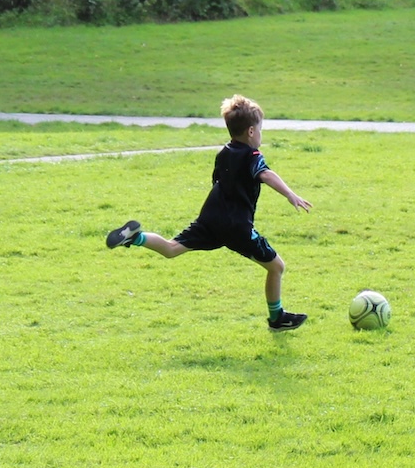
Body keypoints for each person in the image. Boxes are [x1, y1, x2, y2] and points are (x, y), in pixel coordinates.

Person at [106, 94, 314, 330]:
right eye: (260, 129)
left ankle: (136, 237)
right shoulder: (252, 155)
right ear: (251, 132)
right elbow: (265, 174)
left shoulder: (223, 152)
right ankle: (277, 319)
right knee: (277, 267)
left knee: (172, 248)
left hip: (210, 218)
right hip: (236, 226)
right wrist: (290, 194)